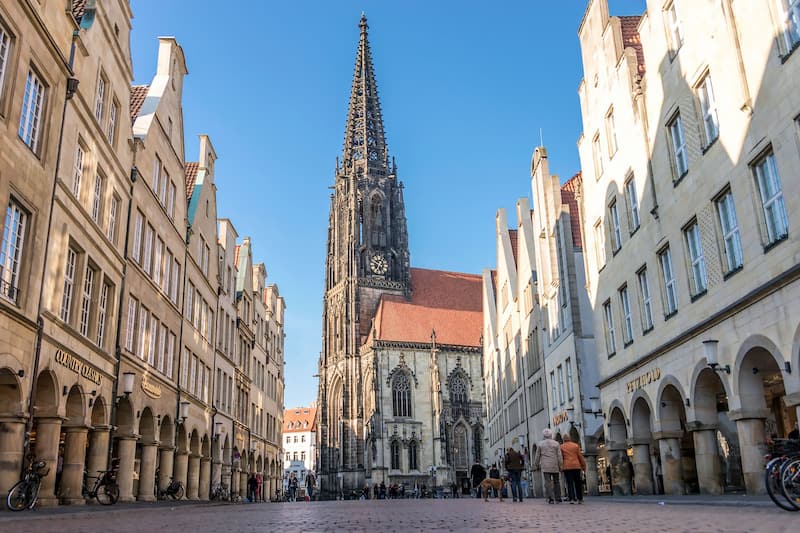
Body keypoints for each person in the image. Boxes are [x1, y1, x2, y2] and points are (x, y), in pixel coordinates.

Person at [534, 428, 563, 504]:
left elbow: (537, 456)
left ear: (544, 435)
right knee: (557, 481)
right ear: (551, 435)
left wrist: (536, 464)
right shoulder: (556, 443)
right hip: (555, 465)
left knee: (547, 482)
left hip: (545, 465)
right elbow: (559, 455)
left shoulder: (540, 444)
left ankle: (550, 498)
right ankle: (558, 497)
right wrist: (561, 464)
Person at [559, 435, 586, 504]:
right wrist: (583, 466)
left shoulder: (561, 447)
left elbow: (561, 458)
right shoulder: (575, 446)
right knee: (578, 483)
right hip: (576, 466)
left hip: (567, 466)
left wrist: (560, 466)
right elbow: (580, 456)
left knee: (569, 483)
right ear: (570, 438)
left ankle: (571, 498)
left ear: (563, 439)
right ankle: (580, 499)